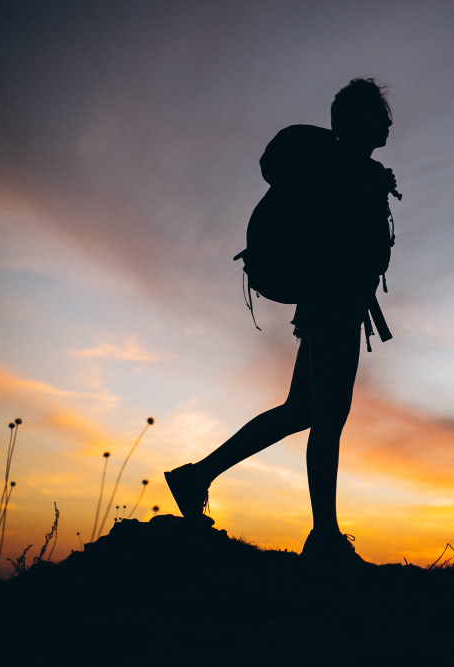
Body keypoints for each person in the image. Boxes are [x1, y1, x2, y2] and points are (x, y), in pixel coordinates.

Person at [165, 79, 397, 567]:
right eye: (379, 114)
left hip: (328, 304)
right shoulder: (348, 172)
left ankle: (195, 477)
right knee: (328, 419)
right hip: (333, 305)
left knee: (301, 412)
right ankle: (325, 537)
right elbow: (347, 247)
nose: (388, 122)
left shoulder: (344, 170)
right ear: (357, 120)